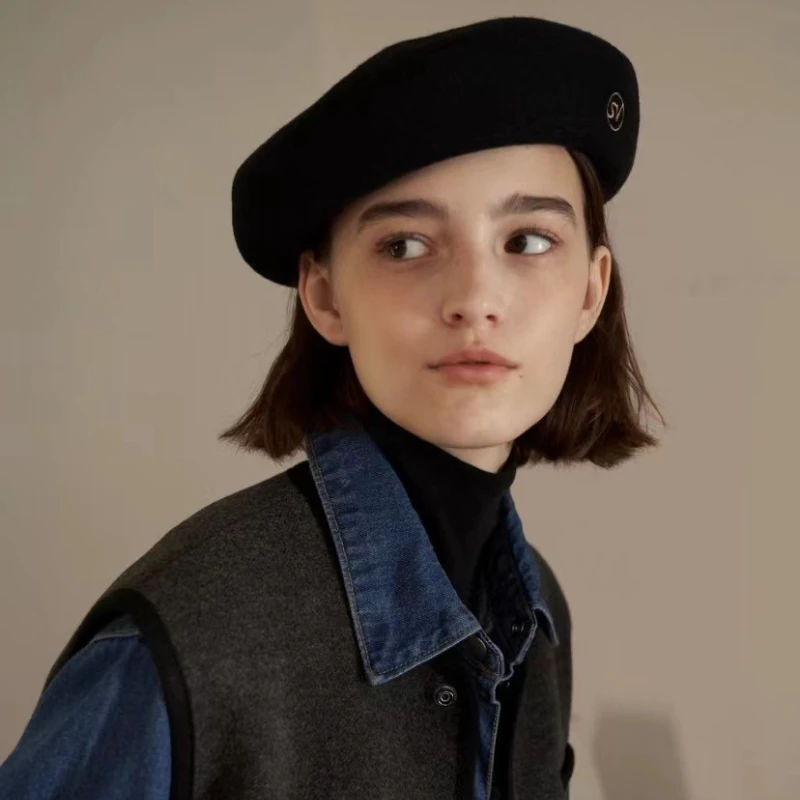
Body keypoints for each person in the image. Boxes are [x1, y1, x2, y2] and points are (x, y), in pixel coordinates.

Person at [0, 15, 663, 800]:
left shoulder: (538, 612)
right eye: (406, 246)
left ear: (591, 290)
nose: (475, 299)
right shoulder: (187, 641)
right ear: (324, 297)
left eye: (527, 241)